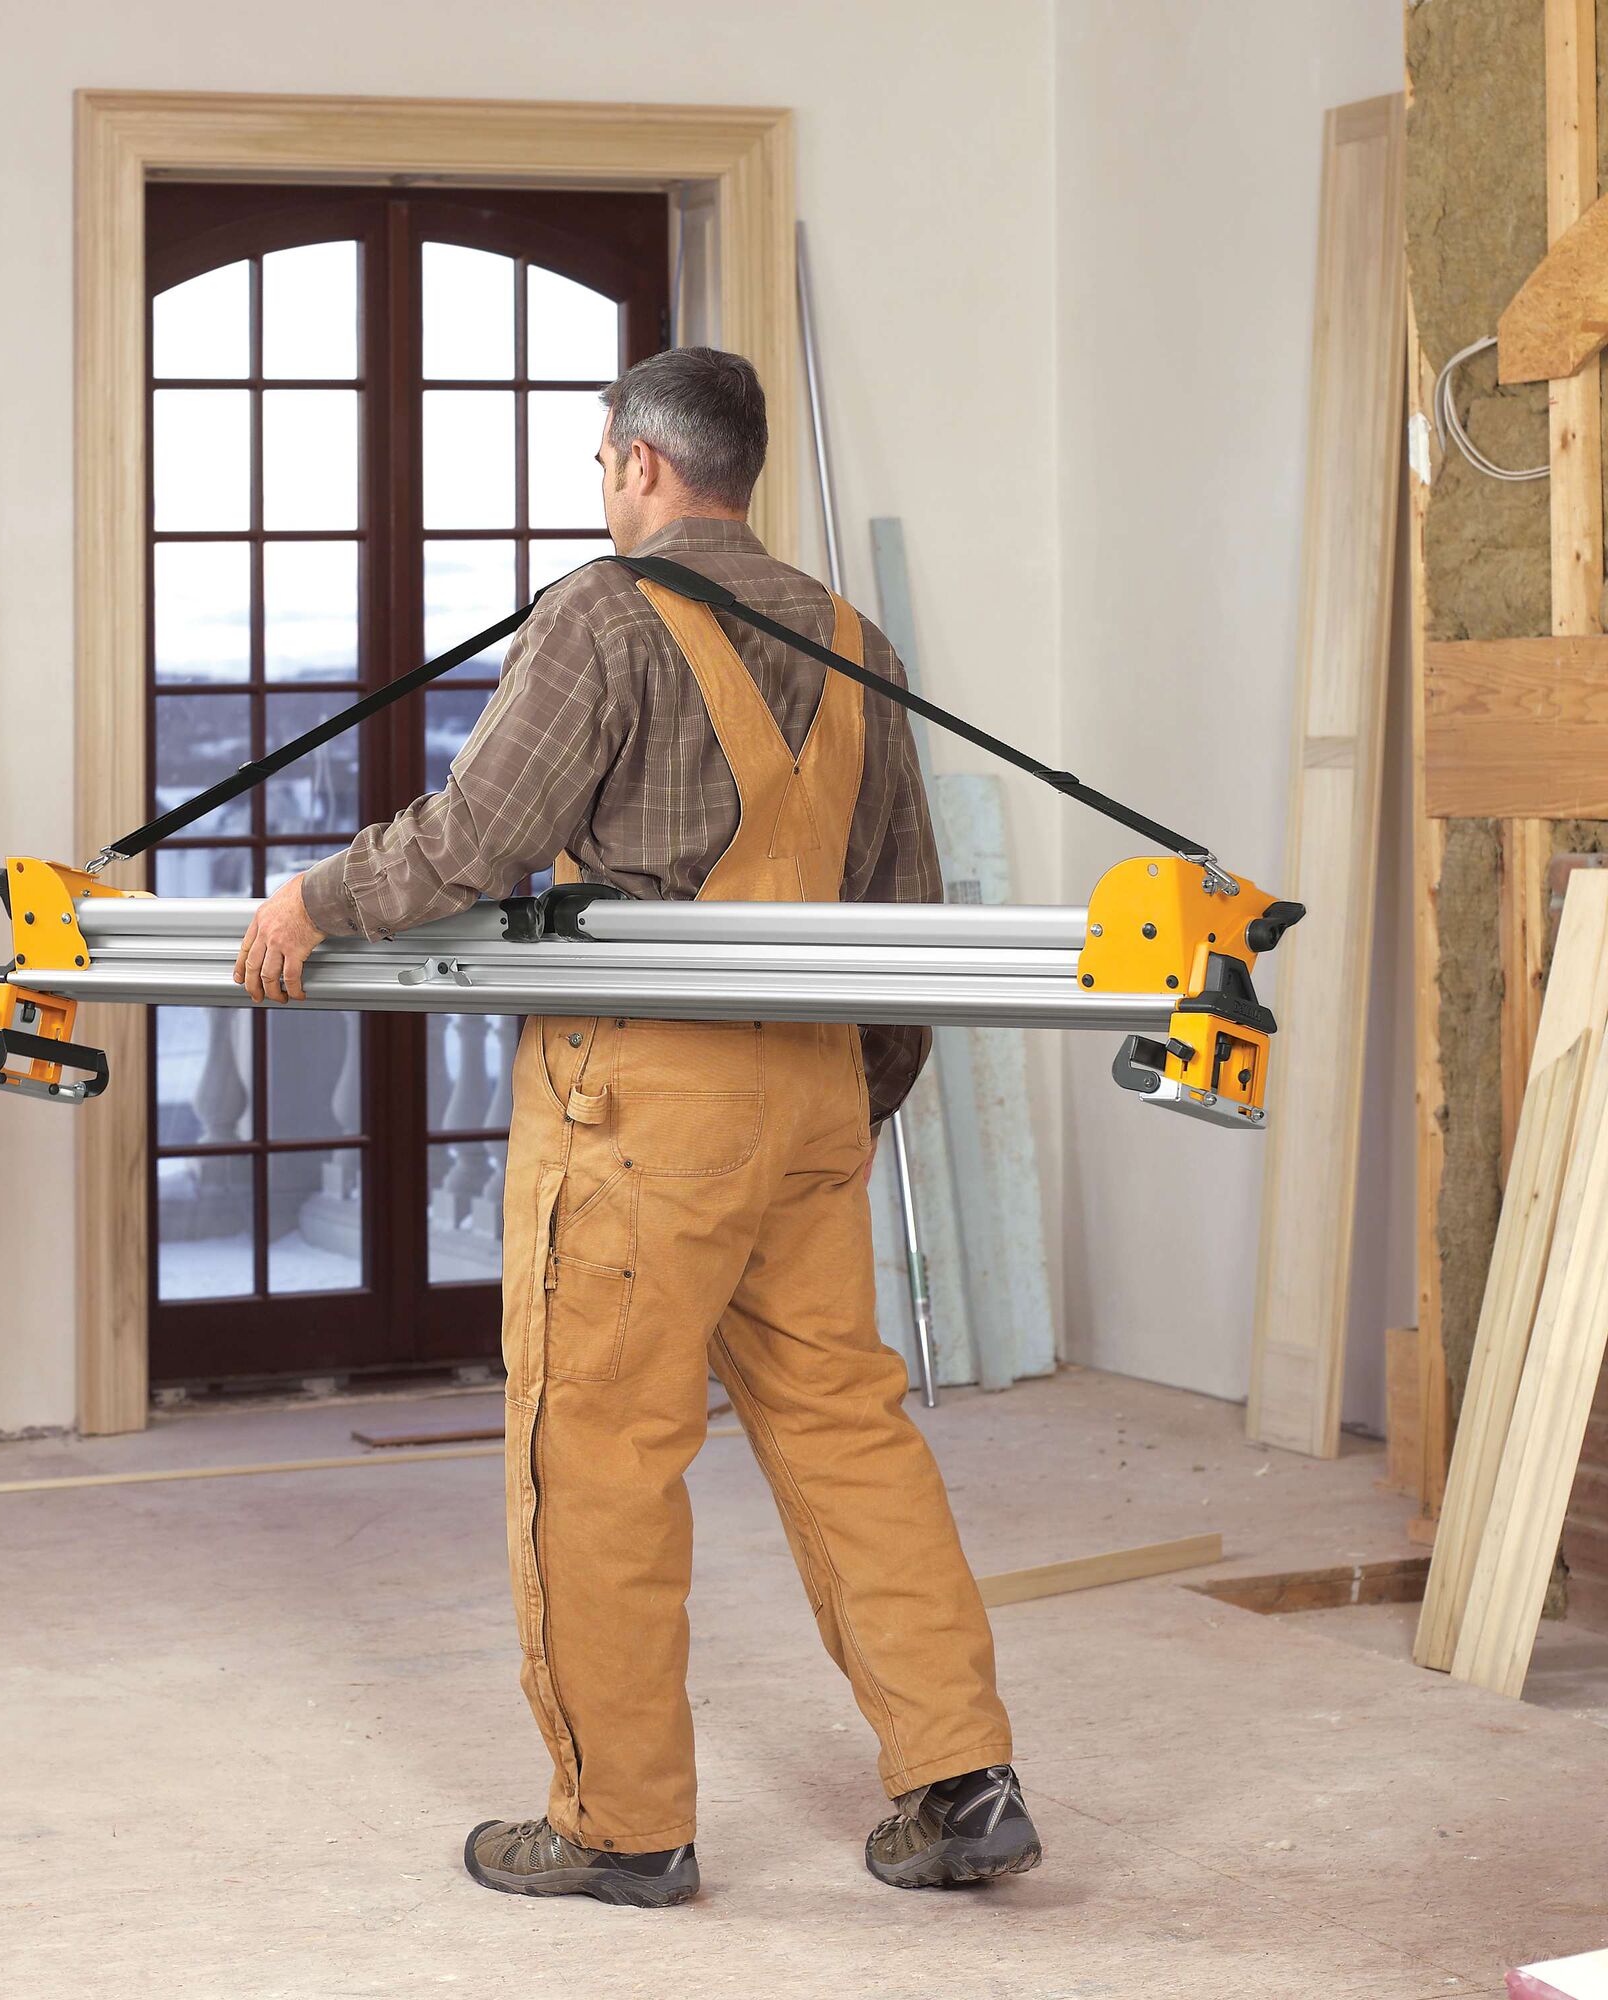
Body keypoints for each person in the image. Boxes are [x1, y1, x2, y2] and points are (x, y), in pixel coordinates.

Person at [233, 346, 1041, 1907]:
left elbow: (479, 839)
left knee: (596, 1450)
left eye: (606, 460)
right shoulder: (853, 638)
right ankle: (960, 1780)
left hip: (641, 1106)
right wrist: (849, 1101)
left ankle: (620, 1825)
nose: (605, 483)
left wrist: (314, 901)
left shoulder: (604, 612)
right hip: (809, 1095)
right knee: (845, 1433)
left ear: (643, 468)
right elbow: (910, 917)